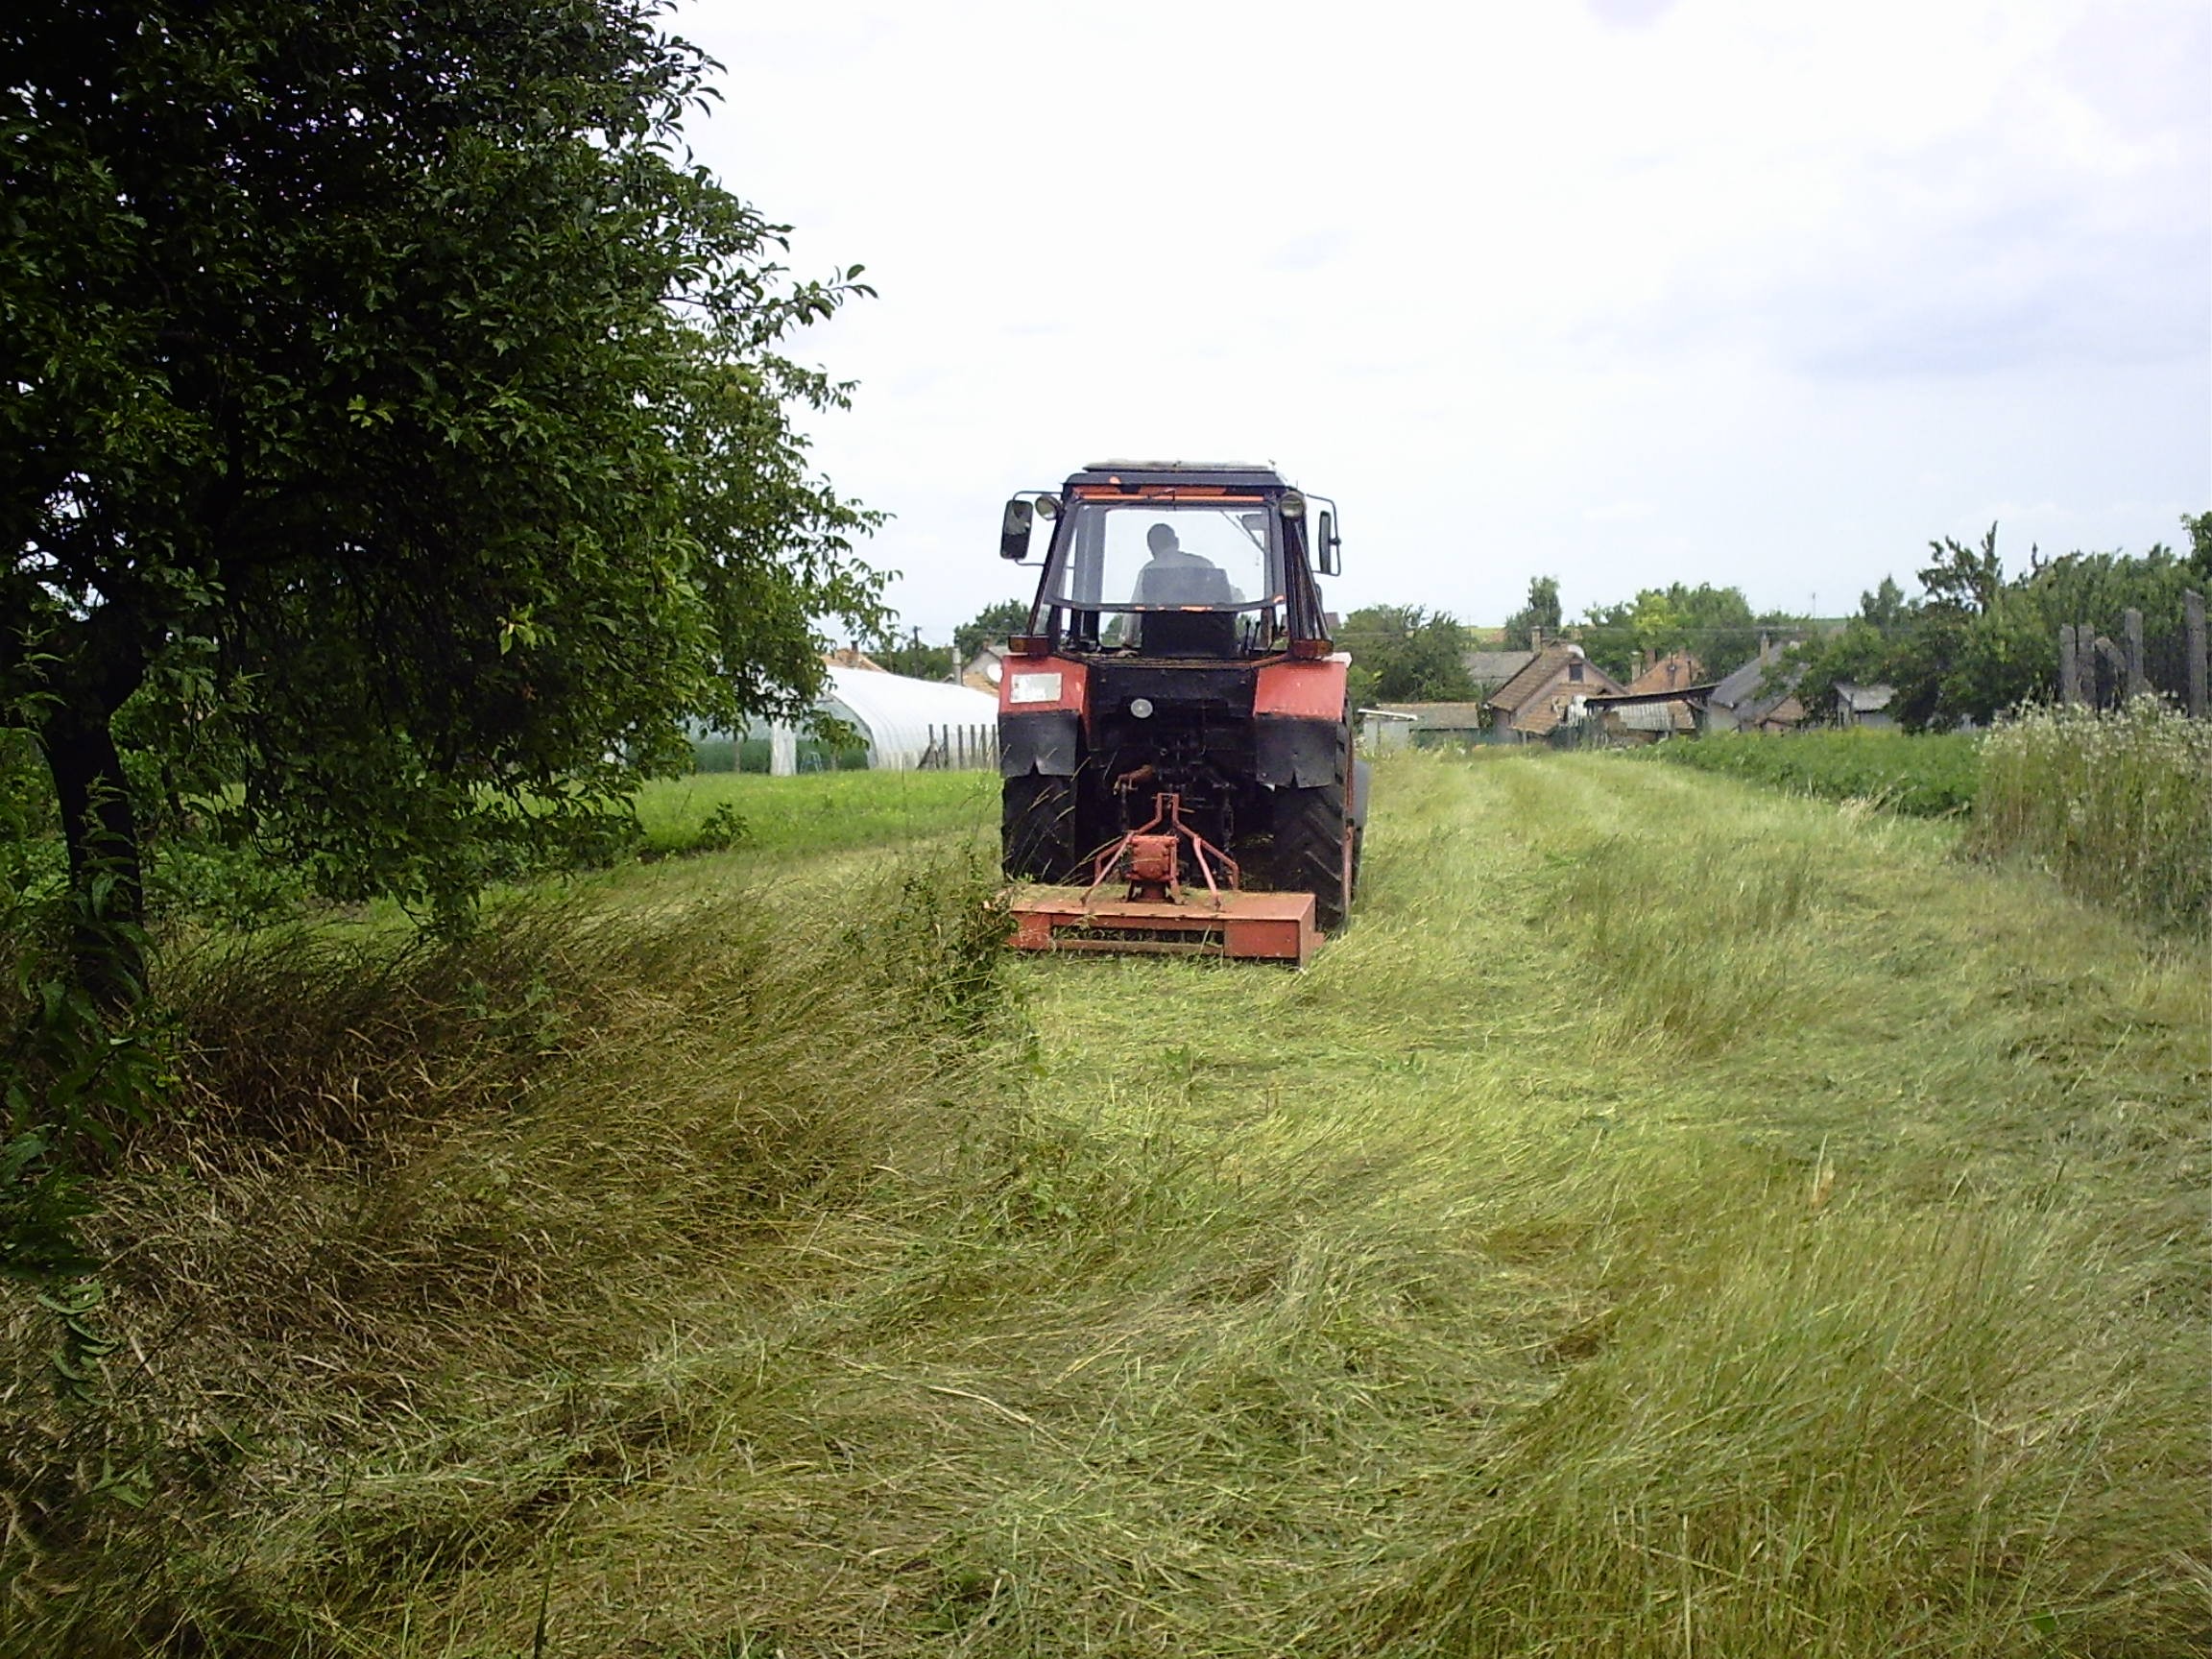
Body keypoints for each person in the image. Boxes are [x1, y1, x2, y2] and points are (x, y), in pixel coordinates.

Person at [1131, 522, 1231, 606]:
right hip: (1210, 629)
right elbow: (1233, 601)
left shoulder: (1147, 571)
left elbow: (1133, 616)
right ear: (1177, 542)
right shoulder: (1206, 565)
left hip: (1160, 629)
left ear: (1151, 548)